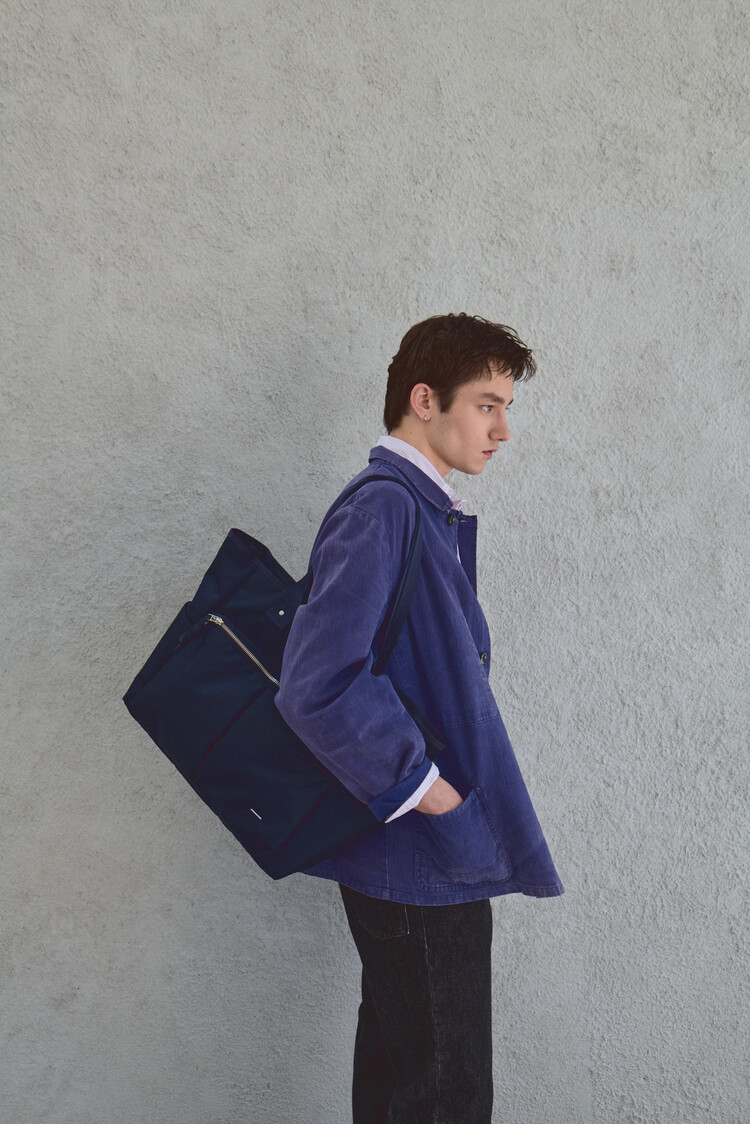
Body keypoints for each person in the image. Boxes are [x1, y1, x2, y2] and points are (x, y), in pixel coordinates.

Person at [275, 313, 564, 1124]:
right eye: (486, 405)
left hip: (421, 855)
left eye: (506, 409)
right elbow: (317, 683)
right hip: (419, 857)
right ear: (424, 399)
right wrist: (433, 794)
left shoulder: (419, 511)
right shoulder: (384, 510)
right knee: (446, 1096)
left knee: (406, 1084)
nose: (503, 430)